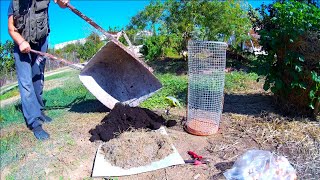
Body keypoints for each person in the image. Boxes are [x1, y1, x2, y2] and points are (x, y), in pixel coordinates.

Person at [8, 0, 69, 140]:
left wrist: (63, 1)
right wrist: (21, 42)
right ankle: (34, 122)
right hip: (21, 45)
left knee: (38, 77)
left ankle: (39, 110)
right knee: (26, 82)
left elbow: (61, 4)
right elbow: (11, 28)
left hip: (40, 42)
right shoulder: (14, 3)